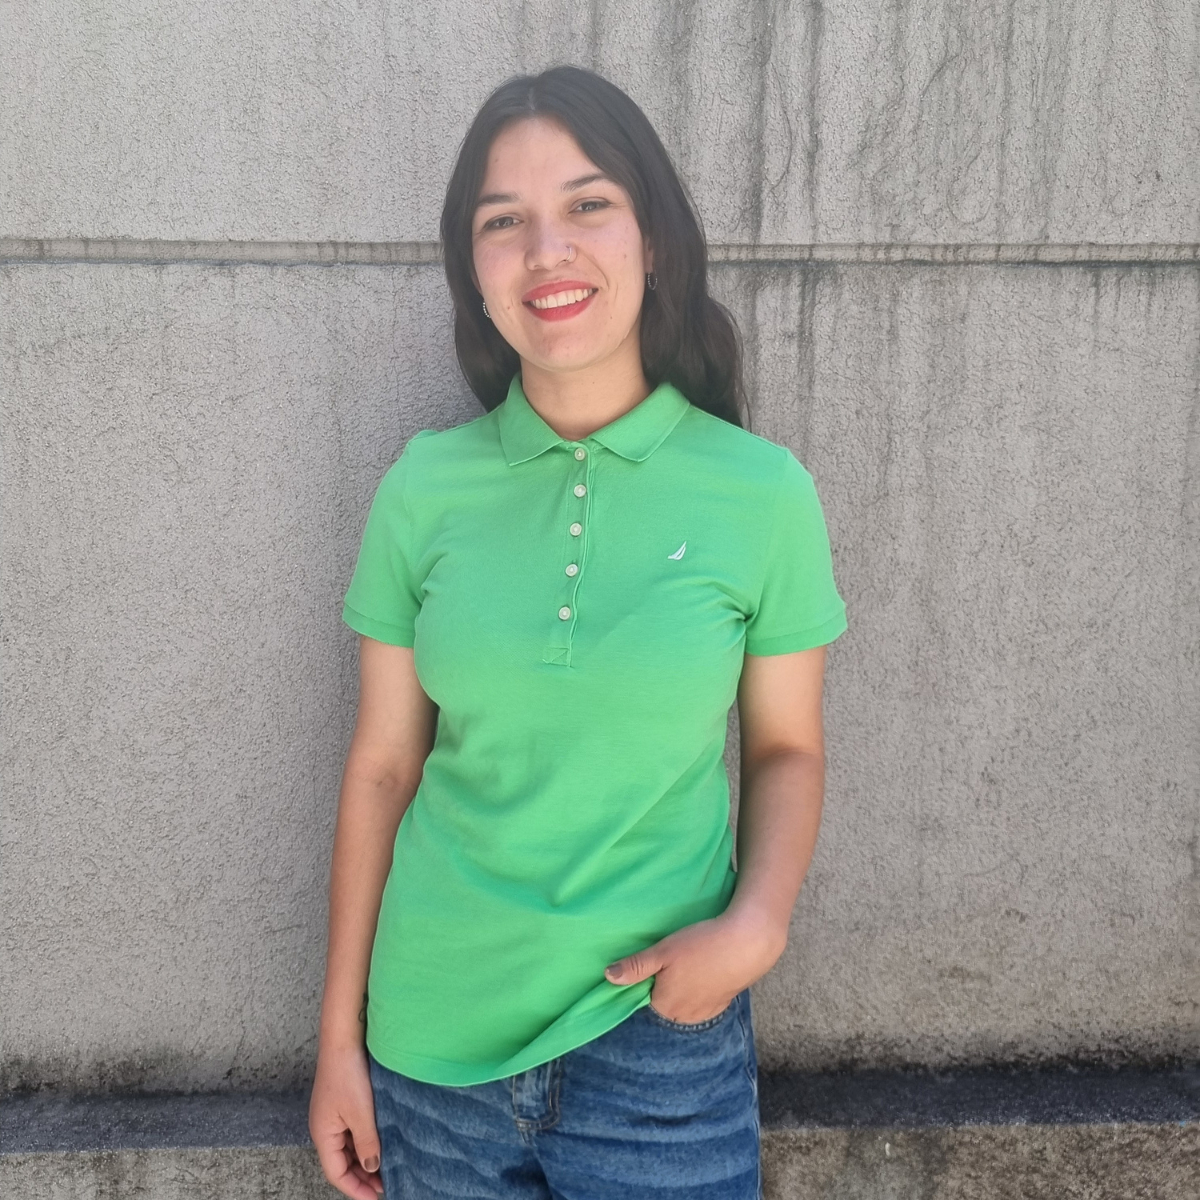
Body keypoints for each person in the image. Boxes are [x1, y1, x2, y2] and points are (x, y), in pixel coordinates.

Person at [309, 65, 848, 1200]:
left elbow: (786, 748)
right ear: (474, 272)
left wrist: (757, 927)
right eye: (503, 222)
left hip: (658, 1042)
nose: (546, 251)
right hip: (429, 1053)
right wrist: (337, 1042)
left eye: (588, 204)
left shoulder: (763, 493)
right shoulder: (422, 488)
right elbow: (383, 767)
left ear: (654, 240)